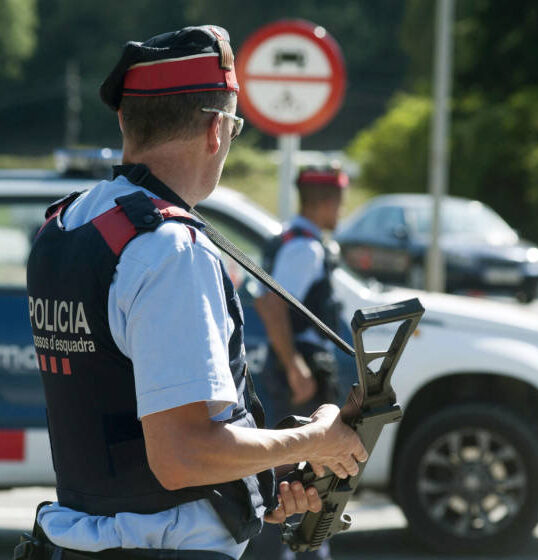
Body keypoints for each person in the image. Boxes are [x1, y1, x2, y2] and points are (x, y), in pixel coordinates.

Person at [21, 26, 367, 560]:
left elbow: (125, 430)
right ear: (216, 129)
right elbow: (181, 457)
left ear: (123, 119)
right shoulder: (170, 250)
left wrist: (252, 486)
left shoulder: (70, 224)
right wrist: (318, 440)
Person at [248, 167, 348, 560]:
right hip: (302, 369)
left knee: (303, 470)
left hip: (299, 366)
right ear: (326, 202)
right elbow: (271, 303)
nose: (339, 211)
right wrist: (295, 367)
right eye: (338, 202)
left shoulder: (292, 238)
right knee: (299, 473)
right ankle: (293, 551)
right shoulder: (304, 247)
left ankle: (306, 550)